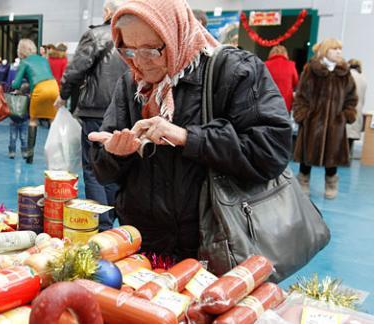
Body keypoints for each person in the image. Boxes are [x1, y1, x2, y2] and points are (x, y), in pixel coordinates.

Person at [88, 0, 291, 261]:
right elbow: (103, 171)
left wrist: (187, 137)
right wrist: (114, 153)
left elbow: (270, 150)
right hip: (143, 247)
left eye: (151, 50)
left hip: (217, 244)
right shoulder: (132, 84)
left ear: (175, 35)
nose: (140, 62)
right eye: (129, 50)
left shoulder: (233, 72)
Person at [54, 0, 128, 231]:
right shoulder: (133, 36)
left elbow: (76, 69)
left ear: (107, 12)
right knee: (118, 164)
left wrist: (63, 95)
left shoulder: (96, 35)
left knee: (93, 167)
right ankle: (113, 215)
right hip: (127, 110)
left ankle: (103, 225)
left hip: (96, 109)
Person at [293, 39, 357, 199]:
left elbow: (351, 97)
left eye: (340, 49)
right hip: (313, 122)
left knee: (332, 155)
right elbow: (301, 96)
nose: (339, 52)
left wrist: (346, 115)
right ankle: (303, 180)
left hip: (336, 123)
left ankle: (331, 183)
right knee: (307, 154)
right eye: (335, 49)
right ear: (325, 51)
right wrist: (304, 116)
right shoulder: (311, 70)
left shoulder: (344, 73)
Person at [11, 39, 59, 164]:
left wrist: (17, 84)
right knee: (52, 120)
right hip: (54, 87)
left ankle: (29, 155)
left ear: (20, 50)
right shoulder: (43, 59)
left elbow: (16, 84)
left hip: (40, 89)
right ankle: (56, 154)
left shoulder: (24, 62)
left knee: (33, 120)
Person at [265, 45, 299, 113]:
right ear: (285, 54)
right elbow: (296, 82)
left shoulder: (265, 65)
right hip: (286, 103)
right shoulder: (291, 65)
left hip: (269, 102)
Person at [347, 59, 368, 156]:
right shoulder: (363, 79)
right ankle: (347, 157)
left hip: (347, 111)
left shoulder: (347, 76)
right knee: (350, 138)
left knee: (343, 137)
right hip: (357, 111)